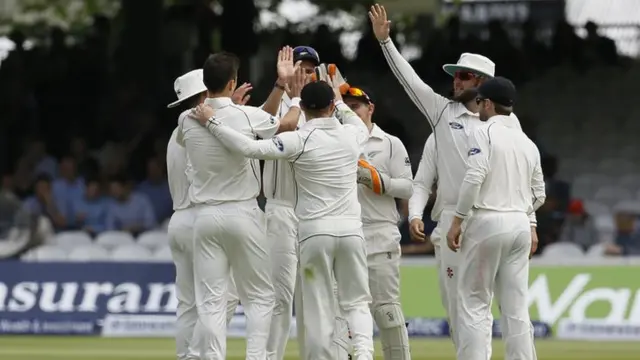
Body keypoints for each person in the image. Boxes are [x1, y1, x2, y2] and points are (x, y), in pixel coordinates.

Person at [369, 3, 525, 352]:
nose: (456, 81)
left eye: (464, 76)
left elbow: (527, 176)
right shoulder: (443, 115)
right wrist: (385, 43)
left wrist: (529, 220)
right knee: (460, 312)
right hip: (454, 229)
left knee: (504, 310)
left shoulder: (505, 126)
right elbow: (410, 81)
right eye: (456, 75)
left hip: (489, 221)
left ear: (482, 84)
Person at [192, 77, 376, 360]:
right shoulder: (353, 134)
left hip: (315, 235)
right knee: (357, 303)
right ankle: (364, 354)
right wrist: (339, 98)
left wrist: (212, 122)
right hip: (352, 232)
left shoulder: (299, 139)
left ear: (303, 107)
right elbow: (355, 121)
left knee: (317, 305)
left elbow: (249, 148)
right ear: (330, 106)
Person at [177, 52, 300, 360]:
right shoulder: (245, 117)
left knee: (211, 301)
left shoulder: (186, 119)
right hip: (242, 214)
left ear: (205, 84)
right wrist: (291, 94)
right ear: (233, 82)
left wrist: (226, 105)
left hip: (204, 217)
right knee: (260, 296)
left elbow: (232, 122)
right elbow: (284, 126)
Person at [445, 77, 545, 360]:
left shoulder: (483, 132)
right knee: (516, 306)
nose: (477, 108)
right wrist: (523, 213)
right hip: (520, 225)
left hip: (487, 221)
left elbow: (474, 177)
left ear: (487, 103)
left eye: (479, 102)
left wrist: (458, 220)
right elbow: (540, 194)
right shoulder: (527, 142)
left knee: (474, 303)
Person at [165, 69, 248, 360]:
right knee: (221, 298)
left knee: (188, 303)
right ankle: (201, 355)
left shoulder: (178, 132)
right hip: (202, 218)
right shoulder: (198, 131)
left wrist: (227, 110)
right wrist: (231, 112)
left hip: (179, 221)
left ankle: (187, 356)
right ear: (204, 96)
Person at [259, 45, 321, 360]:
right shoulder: (280, 101)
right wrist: (284, 87)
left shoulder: (326, 107)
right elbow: (271, 128)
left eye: (311, 69)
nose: (305, 74)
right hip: (281, 209)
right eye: (301, 67)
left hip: (314, 213)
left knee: (313, 298)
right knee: (280, 296)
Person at [343, 86, 413, 360]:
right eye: (345, 106)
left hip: (379, 233)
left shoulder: (390, 143)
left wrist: (377, 181)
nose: (351, 111)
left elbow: (408, 187)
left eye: (356, 106)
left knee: (387, 311)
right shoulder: (337, 139)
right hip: (344, 233)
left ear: (369, 108)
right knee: (345, 315)